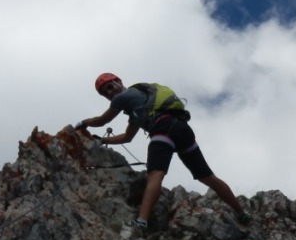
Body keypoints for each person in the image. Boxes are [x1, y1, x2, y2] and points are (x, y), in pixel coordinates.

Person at [76, 73, 252, 231]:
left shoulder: (125, 96)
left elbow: (102, 120)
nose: (110, 92)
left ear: (119, 81)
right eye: (105, 92)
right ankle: (241, 213)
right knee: (206, 176)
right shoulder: (140, 106)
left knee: (155, 175)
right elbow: (127, 138)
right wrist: (102, 140)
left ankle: (141, 222)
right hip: (181, 128)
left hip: (163, 128)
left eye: (110, 86)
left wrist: (83, 123)